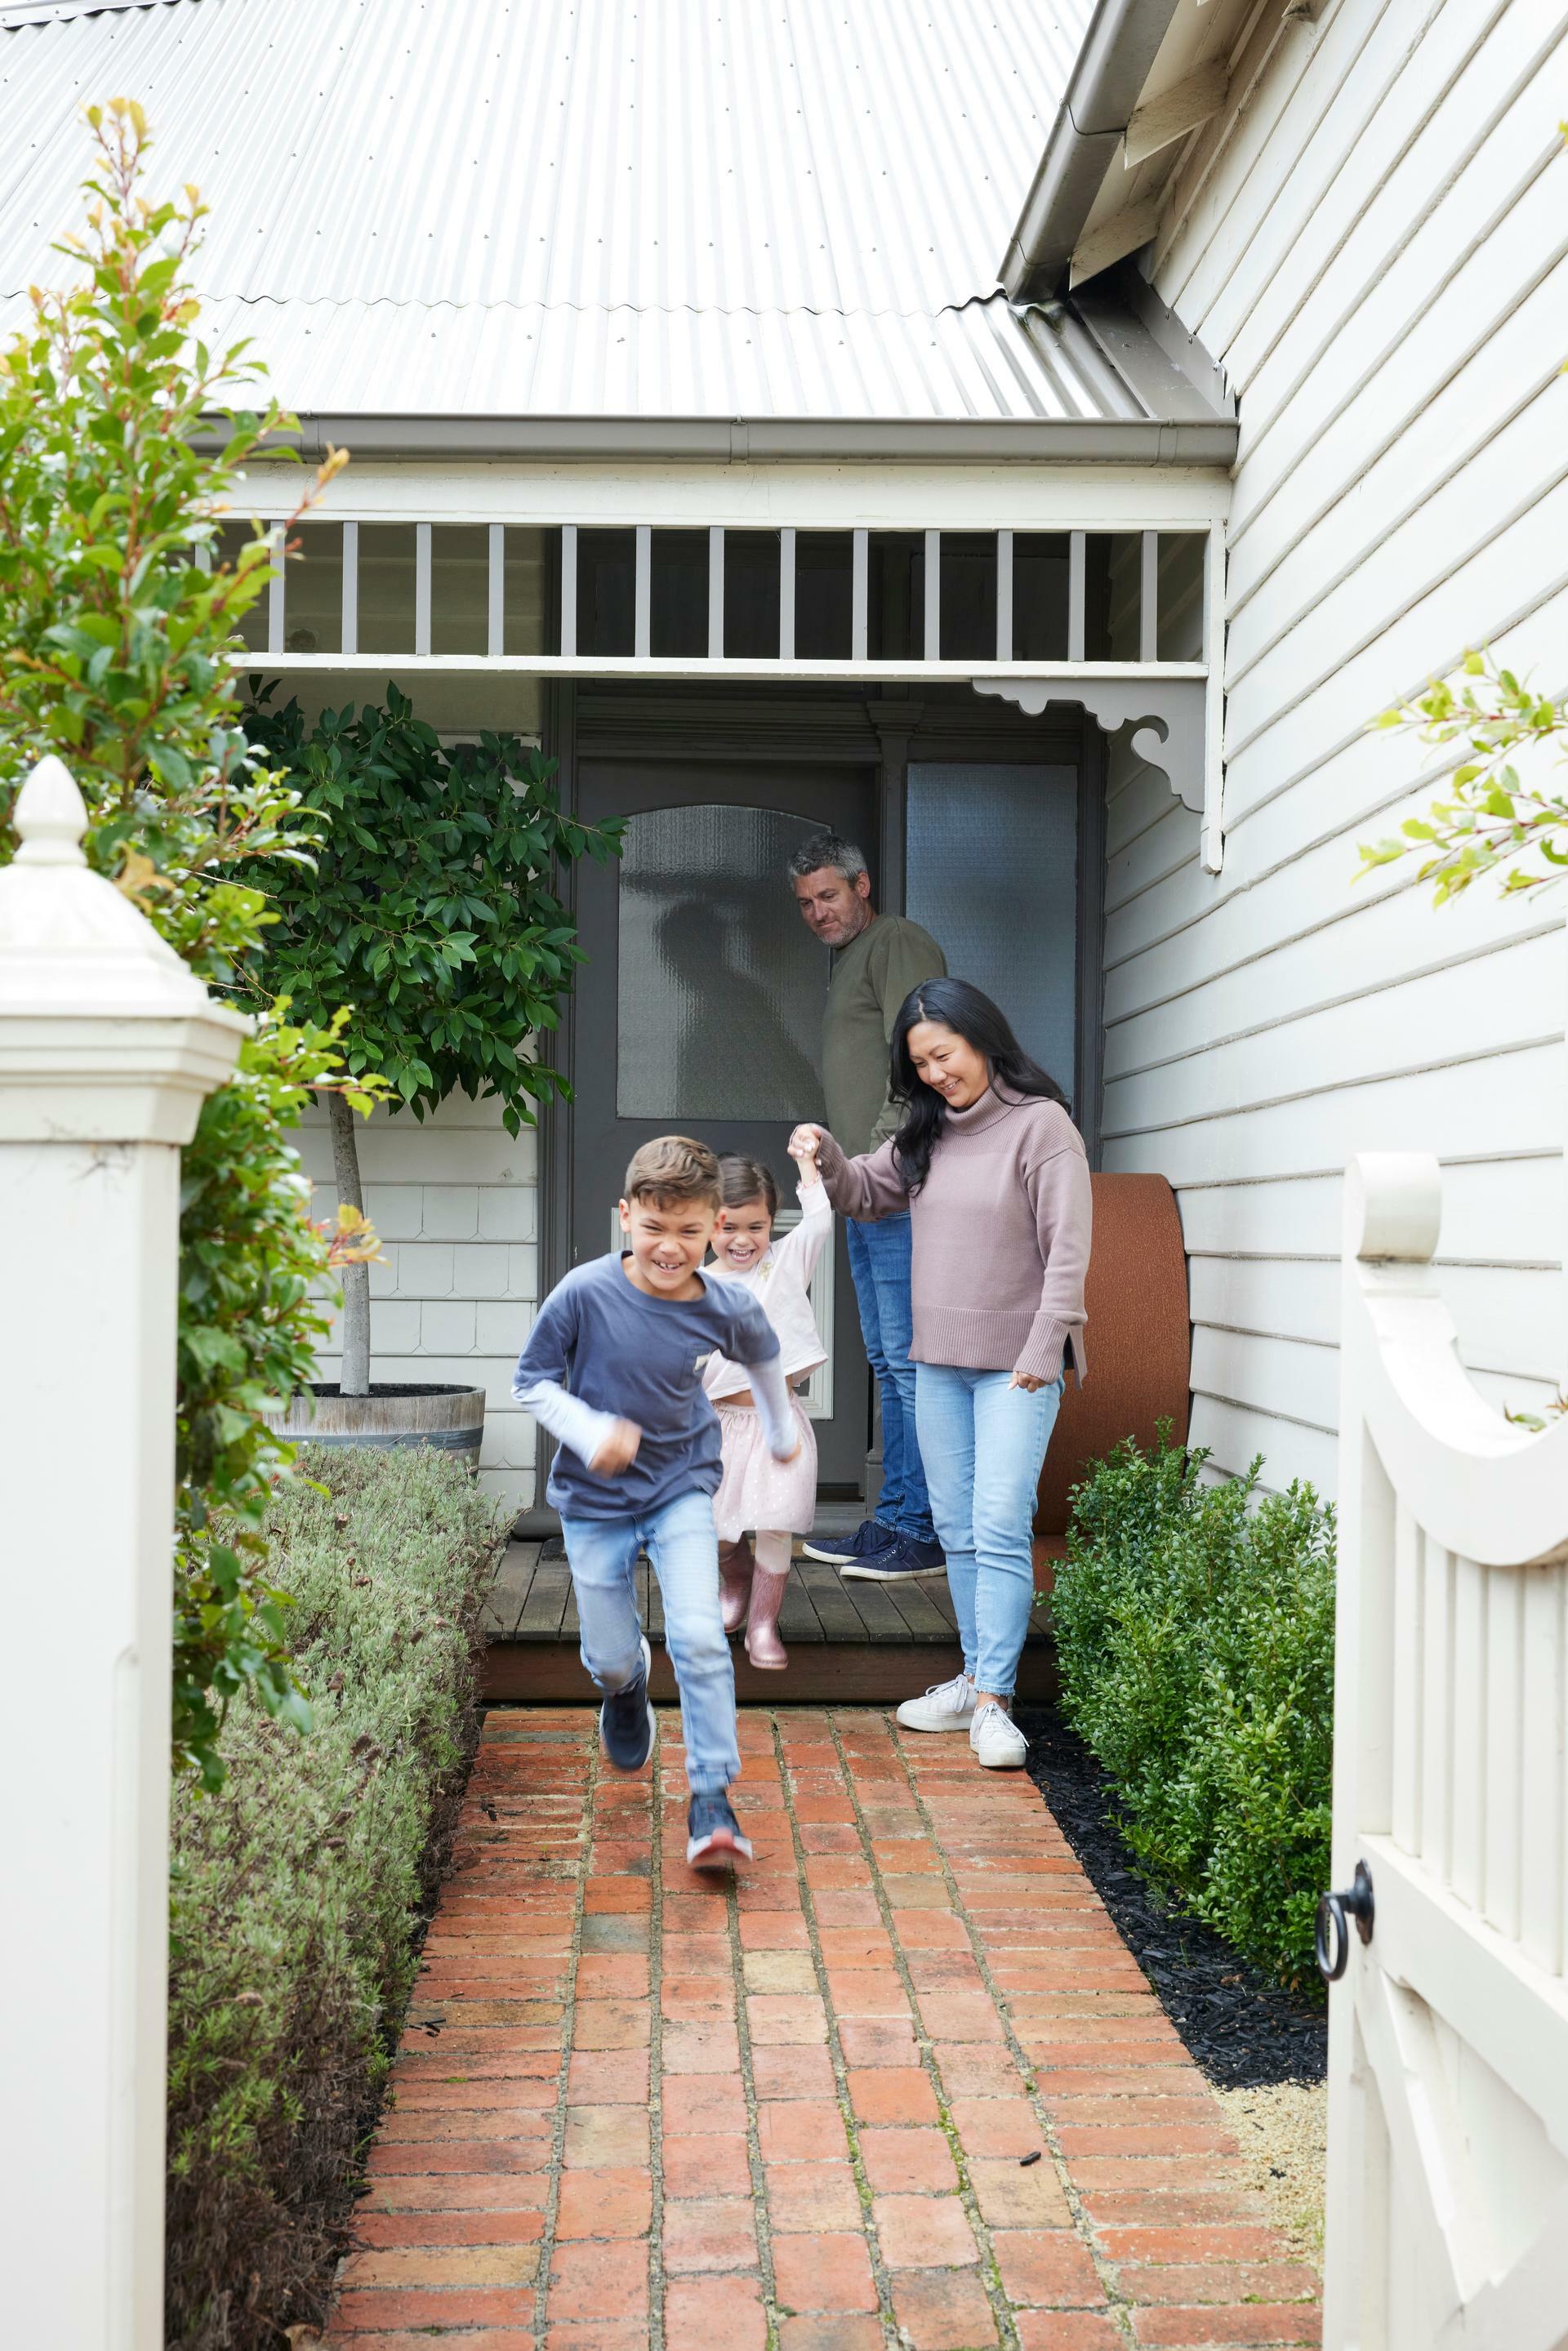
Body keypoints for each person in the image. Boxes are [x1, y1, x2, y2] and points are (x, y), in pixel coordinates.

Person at [790, 978, 1091, 1770]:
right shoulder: (925, 1135)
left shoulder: (1043, 1128)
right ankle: (972, 1680)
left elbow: (1068, 1254)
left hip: (1015, 1372)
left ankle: (996, 1703)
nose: (934, 1073)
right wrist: (823, 1153)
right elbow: (861, 1190)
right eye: (919, 1062)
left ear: (983, 1037)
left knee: (997, 1525)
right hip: (939, 1367)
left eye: (943, 1054)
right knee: (956, 1530)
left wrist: (1042, 1352)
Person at [511, 1134, 800, 1866]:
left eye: (691, 1232)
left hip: (679, 1484)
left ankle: (712, 1797)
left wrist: (777, 1428)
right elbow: (533, 1381)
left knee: (701, 1636)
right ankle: (625, 1686)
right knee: (610, 1657)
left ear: (711, 1227)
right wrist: (588, 1428)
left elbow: (765, 1356)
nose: (672, 1248)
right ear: (625, 1218)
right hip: (593, 1496)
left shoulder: (722, 1301)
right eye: (655, 1229)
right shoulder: (583, 1291)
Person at [786, 829, 947, 1583]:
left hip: (898, 1185)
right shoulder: (850, 957)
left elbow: (923, 1057)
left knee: (910, 1364)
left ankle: (919, 1530)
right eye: (807, 902)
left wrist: (882, 1160)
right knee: (888, 1360)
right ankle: (895, 1519)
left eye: (829, 894)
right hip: (864, 1189)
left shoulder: (896, 942)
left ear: (863, 883)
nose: (819, 911)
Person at [702, 1139, 833, 1670]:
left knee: (775, 1520)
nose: (742, 1239)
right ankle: (734, 1575)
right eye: (728, 1226)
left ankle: (762, 1623)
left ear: (773, 1222)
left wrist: (807, 1162)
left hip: (777, 1424)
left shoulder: (781, 1265)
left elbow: (821, 1222)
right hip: (716, 1426)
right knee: (714, 1526)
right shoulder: (695, 1283)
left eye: (756, 1226)